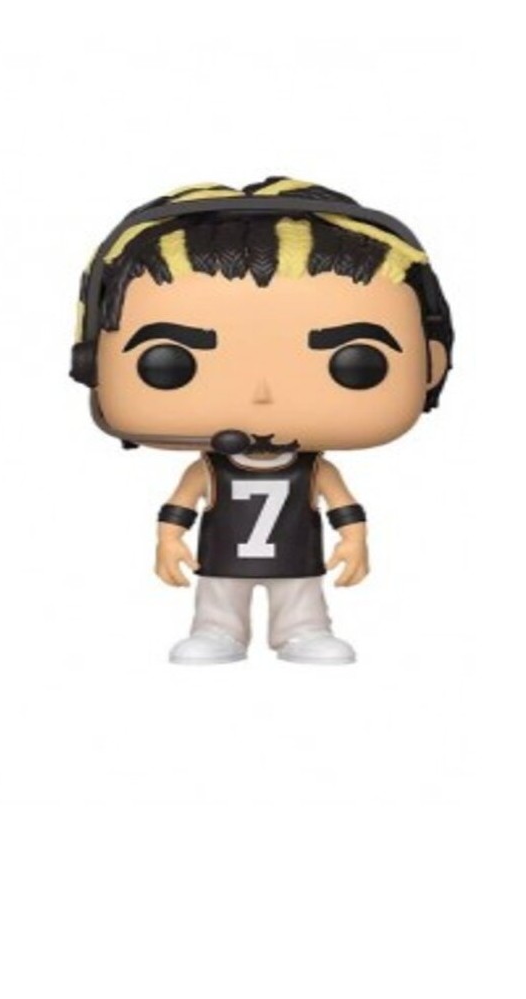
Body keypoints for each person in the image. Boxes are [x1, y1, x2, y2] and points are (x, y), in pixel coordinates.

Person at [71, 178, 453, 665]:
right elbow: (181, 504)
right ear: (91, 365)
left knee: (301, 597)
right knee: (218, 597)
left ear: (431, 365)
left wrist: (354, 539)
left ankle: (304, 632)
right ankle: (216, 632)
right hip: (222, 557)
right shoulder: (210, 468)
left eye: (356, 363)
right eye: (169, 363)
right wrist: (169, 539)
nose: (262, 395)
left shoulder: (313, 469)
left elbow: (342, 505)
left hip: (297, 556)